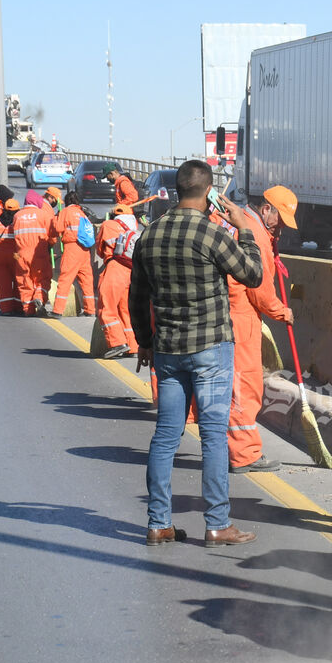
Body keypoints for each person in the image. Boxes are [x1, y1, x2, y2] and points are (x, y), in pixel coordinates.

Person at [129, 159, 263, 548]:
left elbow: (136, 298)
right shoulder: (213, 234)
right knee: (214, 437)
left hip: (168, 351)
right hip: (211, 350)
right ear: (208, 193)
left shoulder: (149, 236)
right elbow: (252, 275)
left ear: (175, 191)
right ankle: (218, 523)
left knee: (166, 436)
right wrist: (245, 228)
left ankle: (158, 523)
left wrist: (145, 341)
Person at [226, 185, 297, 474]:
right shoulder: (254, 233)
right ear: (265, 208)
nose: (281, 226)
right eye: (279, 218)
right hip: (241, 316)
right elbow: (260, 289)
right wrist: (283, 312)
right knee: (245, 386)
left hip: (230, 313)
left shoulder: (245, 223)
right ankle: (244, 454)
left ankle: (229, 447)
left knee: (232, 384)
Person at [96, 202, 142, 358]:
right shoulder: (133, 228)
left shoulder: (108, 225)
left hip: (115, 267)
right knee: (125, 310)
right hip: (131, 271)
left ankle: (116, 343)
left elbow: (100, 250)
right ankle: (132, 345)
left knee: (106, 307)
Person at [51, 189, 97, 318]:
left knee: (65, 279)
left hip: (72, 249)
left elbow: (58, 229)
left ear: (66, 202)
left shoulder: (66, 212)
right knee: (87, 281)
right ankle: (90, 310)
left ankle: (58, 310)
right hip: (85, 250)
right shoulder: (82, 213)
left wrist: (56, 218)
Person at [12, 191, 56, 316]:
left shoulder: (17, 216)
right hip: (39, 252)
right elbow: (52, 234)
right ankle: (39, 297)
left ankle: (28, 309)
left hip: (20, 254)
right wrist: (51, 244)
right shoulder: (43, 215)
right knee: (43, 278)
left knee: (24, 281)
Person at [0, 197, 22, 315]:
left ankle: (6, 309)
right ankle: (19, 307)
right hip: (15, 255)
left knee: (2, 284)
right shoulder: (18, 223)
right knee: (19, 280)